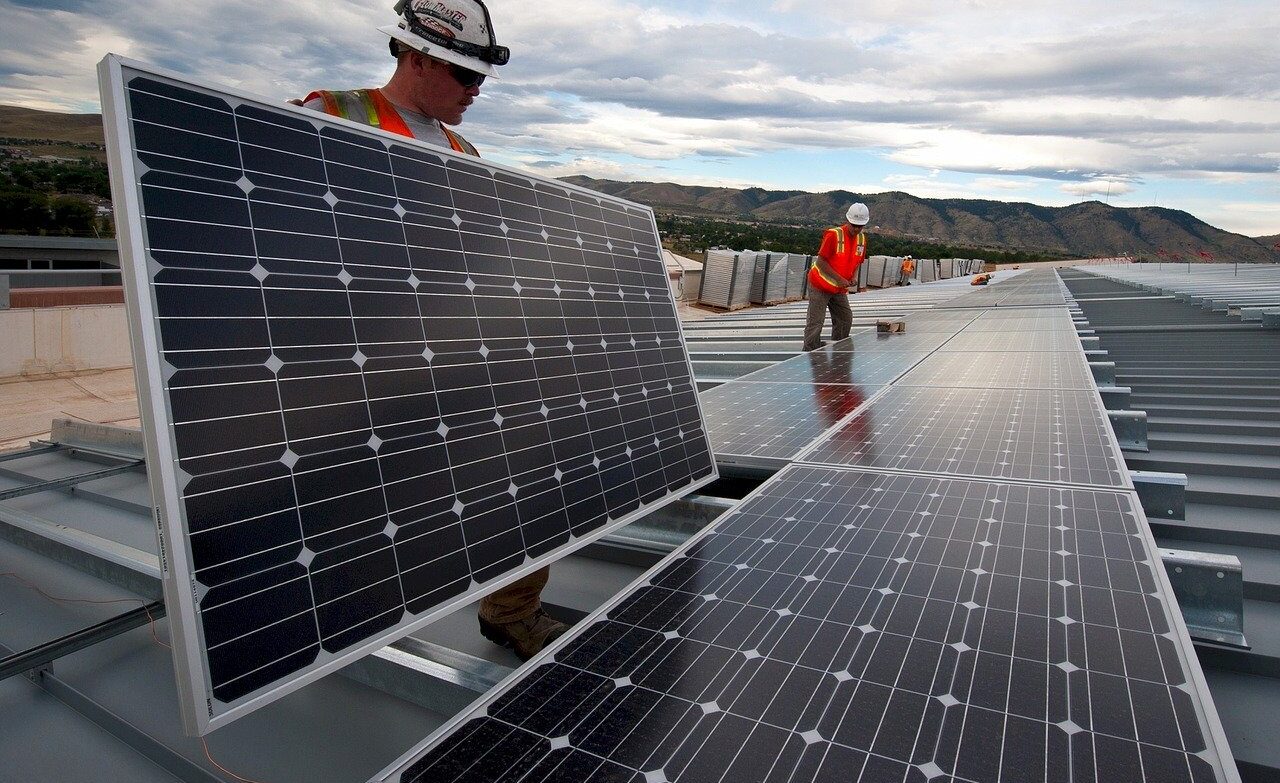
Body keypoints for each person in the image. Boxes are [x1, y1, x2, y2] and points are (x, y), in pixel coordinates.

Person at [300, 0, 566, 662]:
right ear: (414, 56)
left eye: (481, 80)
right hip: (353, 357)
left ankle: (512, 609)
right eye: (464, 76)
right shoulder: (330, 113)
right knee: (357, 501)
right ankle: (326, 618)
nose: (476, 92)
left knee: (527, 467)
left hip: (439, 354)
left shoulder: (461, 150)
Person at [803, 203, 869, 351]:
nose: (857, 229)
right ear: (848, 220)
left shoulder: (862, 240)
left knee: (845, 319)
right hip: (820, 284)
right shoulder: (834, 235)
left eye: (861, 226)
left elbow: (858, 261)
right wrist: (840, 279)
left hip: (838, 288)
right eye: (854, 225)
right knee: (816, 323)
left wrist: (854, 276)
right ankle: (809, 355)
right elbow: (820, 263)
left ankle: (839, 351)